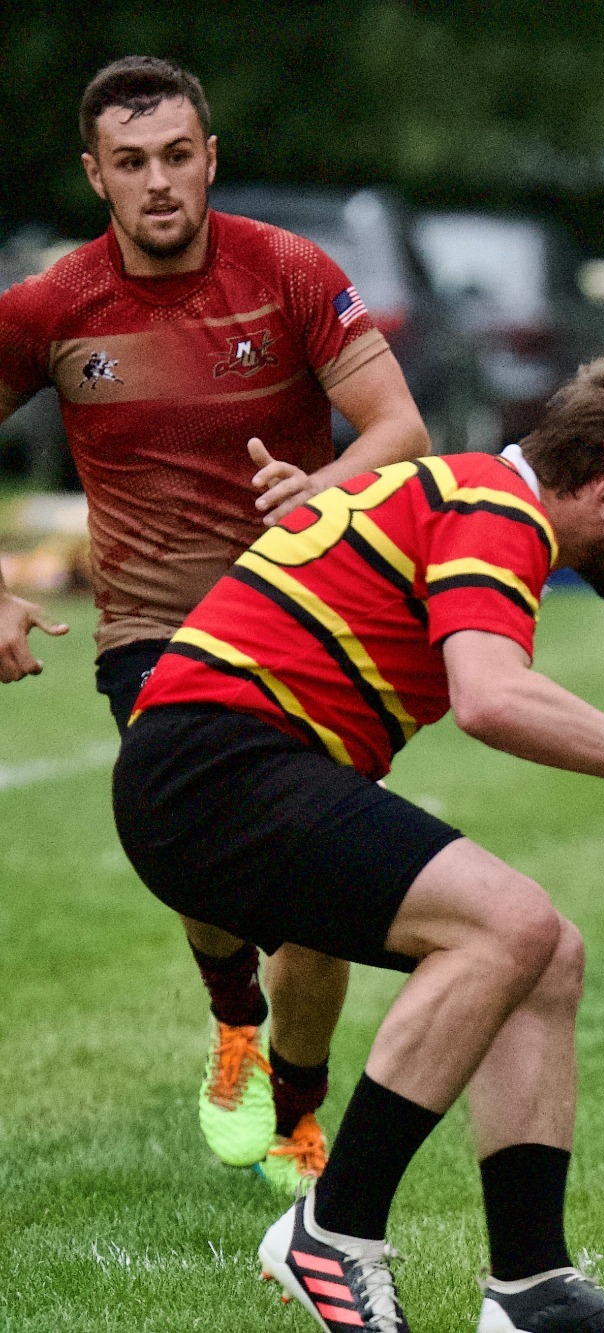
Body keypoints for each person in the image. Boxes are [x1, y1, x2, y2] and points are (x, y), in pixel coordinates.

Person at [112, 349, 604, 1333]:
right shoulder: (496, 508)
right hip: (215, 767)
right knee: (506, 924)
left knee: (546, 950)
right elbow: (490, 695)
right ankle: (332, 1230)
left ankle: (532, 1289)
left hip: (221, 765)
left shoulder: (465, 492)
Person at [0, 55, 430, 1194]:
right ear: (96, 175)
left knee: (319, 903)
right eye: (131, 162)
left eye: (177, 156)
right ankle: (234, 1020)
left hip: (303, 627)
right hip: (151, 635)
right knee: (199, 845)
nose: (158, 183)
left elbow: (400, 426)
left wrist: (326, 484)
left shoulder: (286, 270)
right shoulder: (51, 306)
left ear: (210, 159)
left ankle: (295, 1108)